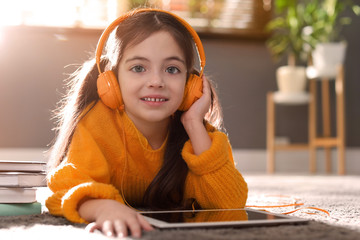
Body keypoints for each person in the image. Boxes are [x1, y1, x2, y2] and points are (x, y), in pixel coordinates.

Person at [45, 8, 248, 238]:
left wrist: (193, 124)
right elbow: (65, 188)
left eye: (172, 69)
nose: (156, 81)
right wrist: (102, 207)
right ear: (112, 80)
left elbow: (230, 203)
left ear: (191, 84)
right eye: (138, 68)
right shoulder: (97, 123)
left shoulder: (194, 132)